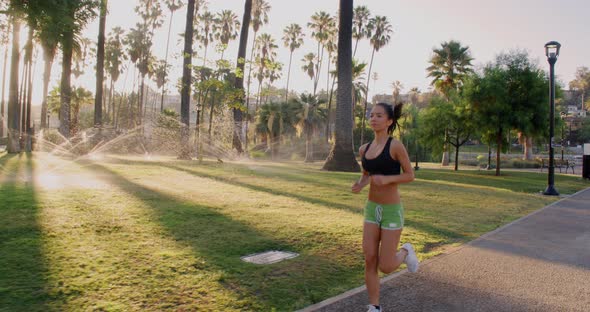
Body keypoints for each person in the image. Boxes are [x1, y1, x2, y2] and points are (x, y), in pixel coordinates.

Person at [351, 102, 419, 312]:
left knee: (386, 266)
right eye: (371, 115)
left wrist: (387, 179)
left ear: (389, 121)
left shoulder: (395, 146)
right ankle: (375, 306)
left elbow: (410, 175)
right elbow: (367, 175)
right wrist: (360, 185)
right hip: (372, 209)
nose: (373, 118)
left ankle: (406, 251)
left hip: (391, 210)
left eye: (379, 115)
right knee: (370, 258)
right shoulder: (365, 149)